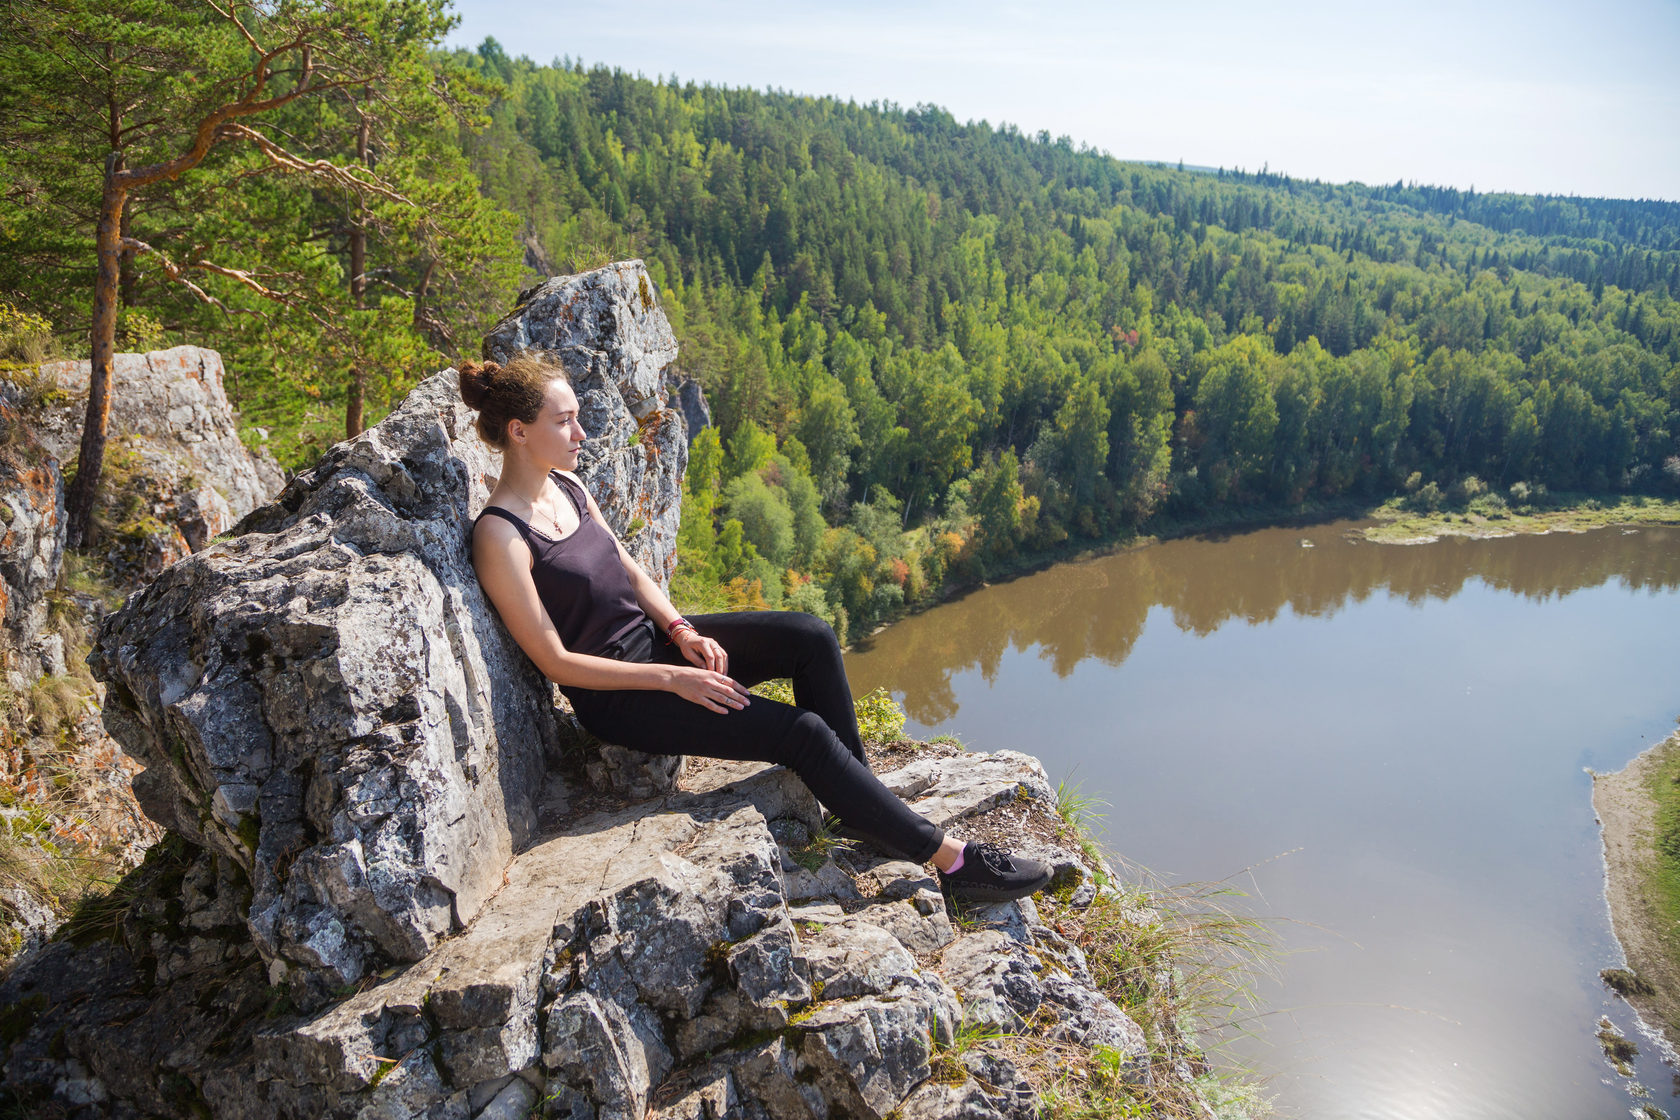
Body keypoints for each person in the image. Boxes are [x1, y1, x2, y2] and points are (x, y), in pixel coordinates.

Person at [462, 353, 1051, 903]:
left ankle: (863, 807)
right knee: (803, 734)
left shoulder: (568, 486)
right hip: (620, 697)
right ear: (518, 431)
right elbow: (555, 661)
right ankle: (953, 863)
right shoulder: (501, 535)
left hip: (659, 648)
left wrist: (682, 628)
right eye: (564, 422)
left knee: (810, 637)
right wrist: (672, 679)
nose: (581, 434)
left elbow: (628, 567)